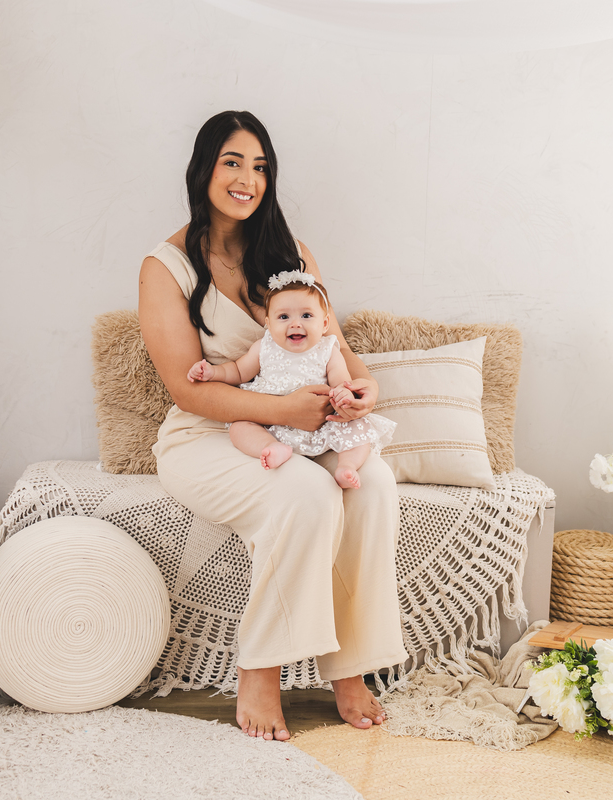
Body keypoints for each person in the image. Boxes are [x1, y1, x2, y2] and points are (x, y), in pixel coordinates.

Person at [139, 110, 407, 741]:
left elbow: (336, 347)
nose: (247, 180)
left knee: (374, 485)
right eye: (232, 162)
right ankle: (259, 668)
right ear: (203, 169)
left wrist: (365, 388)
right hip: (211, 434)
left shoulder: (291, 255)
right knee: (307, 493)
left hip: (306, 429)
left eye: (260, 167)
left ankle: (349, 667)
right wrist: (282, 411)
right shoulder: (166, 266)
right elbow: (186, 389)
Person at [185, 271, 397, 489]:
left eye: (306, 315)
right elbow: (238, 372)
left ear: (325, 323)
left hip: (321, 423)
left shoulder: (328, 350)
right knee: (239, 427)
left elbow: (342, 383)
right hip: (270, 421)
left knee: (358, 427)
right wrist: (213, 372)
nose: (295, 324)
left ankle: (347, 465)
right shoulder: (263, 347)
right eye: (284, 317)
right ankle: (272, 447)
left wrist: (344, 395)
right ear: (269, 324)